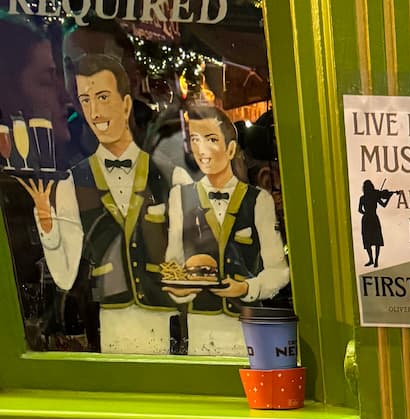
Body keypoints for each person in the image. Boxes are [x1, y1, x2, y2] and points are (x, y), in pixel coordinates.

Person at [21, 53, 175, 355]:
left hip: (168, 316)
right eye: (85, 100)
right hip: (111, 320)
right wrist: (48, 226)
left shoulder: (166, 173)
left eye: (102, 97)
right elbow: (65, 276)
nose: (94, 112)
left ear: (126, 104)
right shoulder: (73, 182)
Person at [164, 100, 289, 358]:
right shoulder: (179, 198)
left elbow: (279, 272)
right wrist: (179, 291)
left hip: (248, 329)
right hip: (199, 330)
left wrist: (247, 288)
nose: (202, 150)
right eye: (195, 140)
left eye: (211, 139)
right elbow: (173, 263)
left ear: (231, 149)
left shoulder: (259, 200)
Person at [357, 177, 392, 267]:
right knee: (376, 241)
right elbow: (384, 205)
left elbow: (359, 210)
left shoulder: (363, 198)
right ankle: (375, 261)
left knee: (368, 240)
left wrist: (366, 213)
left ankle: (371, 260)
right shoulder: (374, 195)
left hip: (366, 219)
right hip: (373, 218)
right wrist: (389, 197)